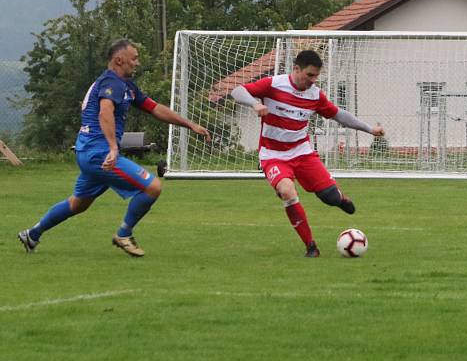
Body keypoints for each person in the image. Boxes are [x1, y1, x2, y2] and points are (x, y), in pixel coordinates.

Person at [17, 39, 211, 257]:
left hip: (88, 152)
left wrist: (190, 124)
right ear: (120, 60)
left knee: (78, 203)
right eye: (134, 58)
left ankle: (32, 234)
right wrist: (113, 148)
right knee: (153, 186)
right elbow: (104, 112)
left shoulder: (124, 85)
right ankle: (124, 234)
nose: (137, 63)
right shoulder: (113, 82)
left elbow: (154, 108)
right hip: (99, 154)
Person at [230, 50, 385, 257]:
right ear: (296, 69)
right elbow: (236, 91)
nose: (312, 81)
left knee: (329, 197)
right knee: (287, 192)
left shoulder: (315, 95)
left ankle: (339, 198)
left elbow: (339, 115)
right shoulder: (274, 84)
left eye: (316, 76)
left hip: (302, 153)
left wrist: (369, 129)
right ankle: (311, 246)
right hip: (273, 154)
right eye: (309, 75)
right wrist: (255, 103)